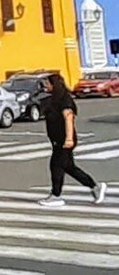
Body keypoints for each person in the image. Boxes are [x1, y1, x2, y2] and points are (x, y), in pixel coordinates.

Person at [38, 73, 107, 207]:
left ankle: (56, 195)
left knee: (56, 166)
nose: (46, 86)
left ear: (55, 84)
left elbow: (68, 119)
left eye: (48, 83)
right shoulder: (54, 99)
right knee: (69, 167)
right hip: (58, 140)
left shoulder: (64, 100)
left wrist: (69, 139)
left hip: (64, 140)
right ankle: (95, 186)